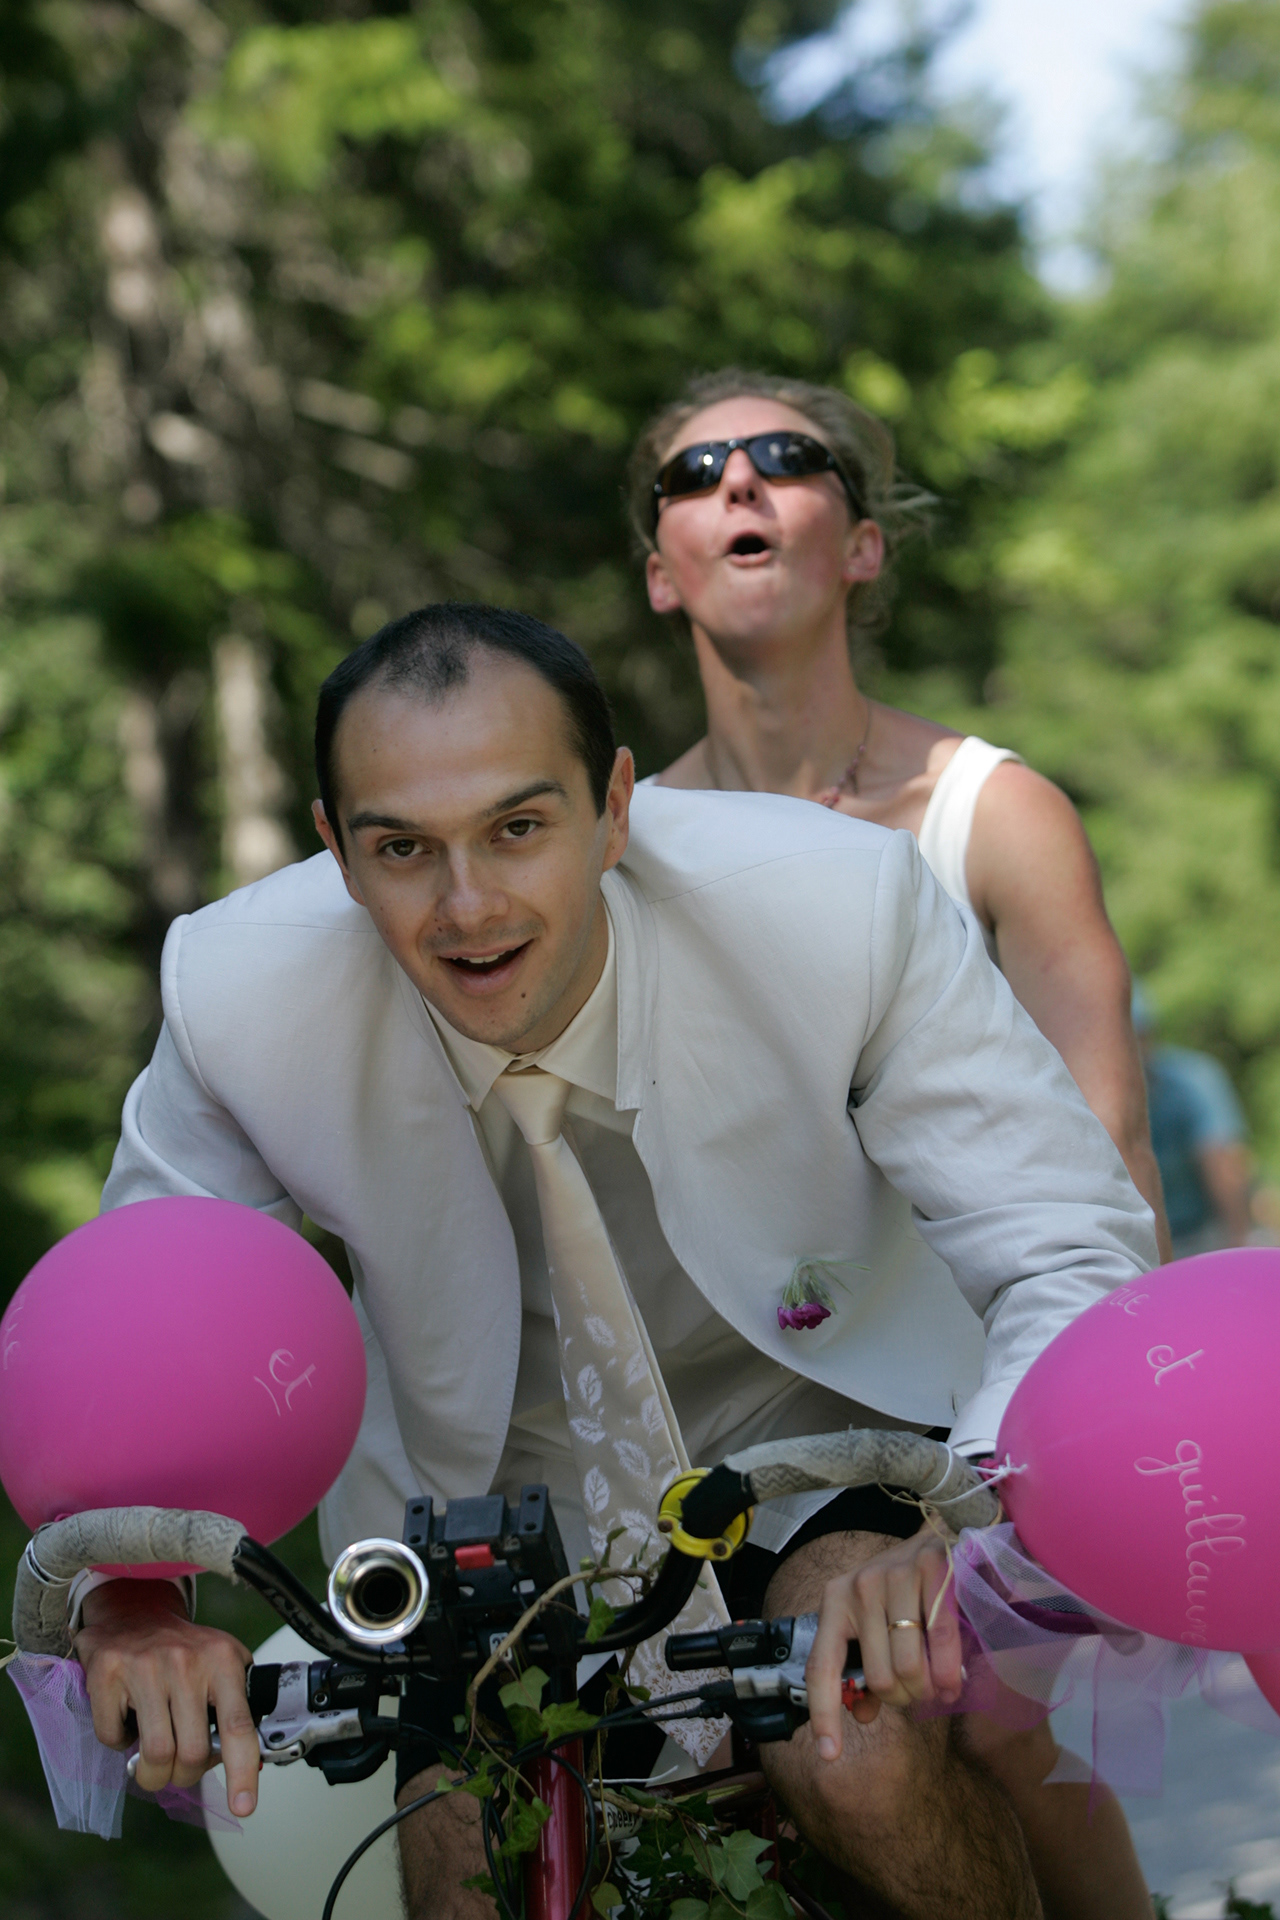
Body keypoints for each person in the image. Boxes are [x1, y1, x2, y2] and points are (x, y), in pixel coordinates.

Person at [74, 603, 1155, 1920]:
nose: (468, 904)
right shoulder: (237, 993)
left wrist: (962, 1527)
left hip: (826, 1443)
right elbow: (136, 1347)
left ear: (615, 808)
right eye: (401, 848)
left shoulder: (835, 905)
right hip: (475, 1511)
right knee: (463, 1859)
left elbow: (1062, 1237)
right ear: (336, 853)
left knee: (856, 1741)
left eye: (518, 828)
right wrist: (133, 1596)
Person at [630, 368, 1171, 1266]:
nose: (741, 480)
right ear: (660, 577)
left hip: (990, 1340)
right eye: (694, 473)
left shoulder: (997, 817)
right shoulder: (623, 850)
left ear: (863, 548)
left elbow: (1108, 1159)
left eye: (787, 457)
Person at [1133, 984, 1253, 1260]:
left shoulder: (1194, 1079)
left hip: (1203, 1232)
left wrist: (1239, 1240)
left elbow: (1222, 1162)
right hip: (1139, 1241)